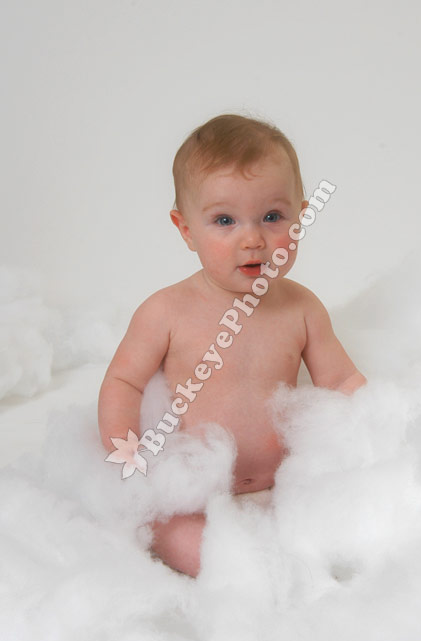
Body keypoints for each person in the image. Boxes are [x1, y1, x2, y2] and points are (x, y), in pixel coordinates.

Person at [98, 113, 367, 578]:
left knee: (339, 532)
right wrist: (126, 446)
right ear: (186, 229)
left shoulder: (301, 308)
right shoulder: (165, 311)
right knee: (186, 540)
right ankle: (238, 578)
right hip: (194, 493)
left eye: (272, 217)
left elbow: (341, 381)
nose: (253, 239)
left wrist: (375, 428)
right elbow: (124, 380)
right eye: (225, 220)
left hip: (283, 485)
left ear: (300, 218)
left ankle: (291, 574)